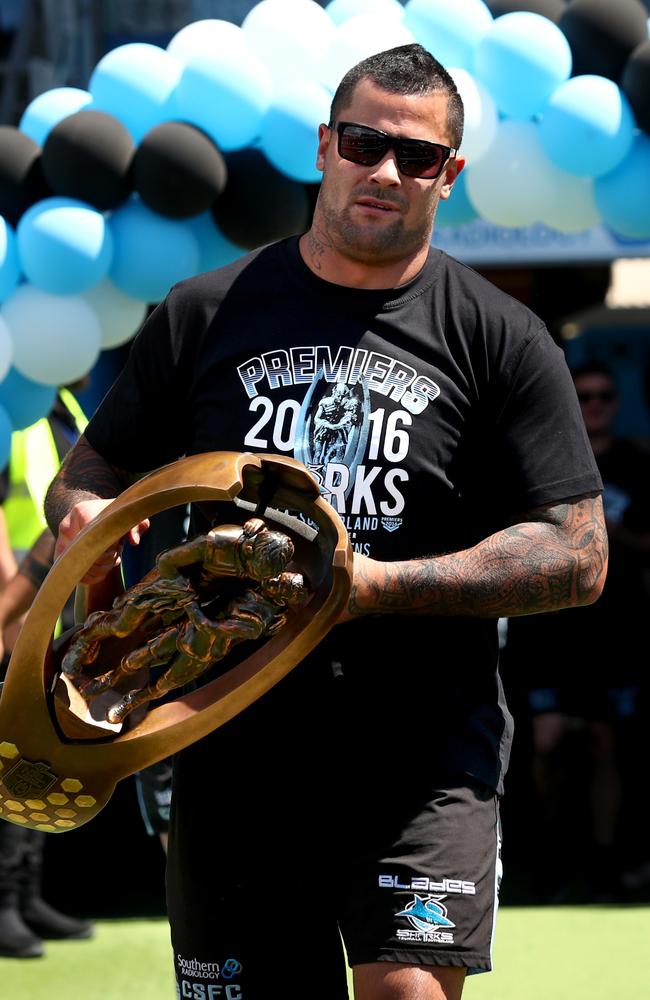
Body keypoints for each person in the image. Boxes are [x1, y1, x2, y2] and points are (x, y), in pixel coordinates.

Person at [44, 45, 607, 1000]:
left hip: (422, 750)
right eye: (363, 142)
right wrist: (87, 515)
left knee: (406, 994)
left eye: (416, 157)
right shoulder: (202, 314)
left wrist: (375, 587)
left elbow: (576, 551)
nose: (384, 171)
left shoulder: (499, 336)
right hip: (226, 741)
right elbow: (91, 469)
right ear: (324, 146)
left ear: (450, 175)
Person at [507, 361, 650, 901]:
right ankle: (548, 852)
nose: (593, 405)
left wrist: (608, 536)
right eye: (583, 395)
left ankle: (603, 859)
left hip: (614, 630)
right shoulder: (540, 451)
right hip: (548, 628)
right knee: (545, 742)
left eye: (603, 395)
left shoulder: (637, 464)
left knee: (603, 741)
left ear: (615, 401)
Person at [0, 389, 94, 958]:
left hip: (49, 592)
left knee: (35, 749)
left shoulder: (69, 408)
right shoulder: (14, 397)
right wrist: (9, 611)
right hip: (15, 595)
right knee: (8, 750)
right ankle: (3, 902)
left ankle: (22, 891)